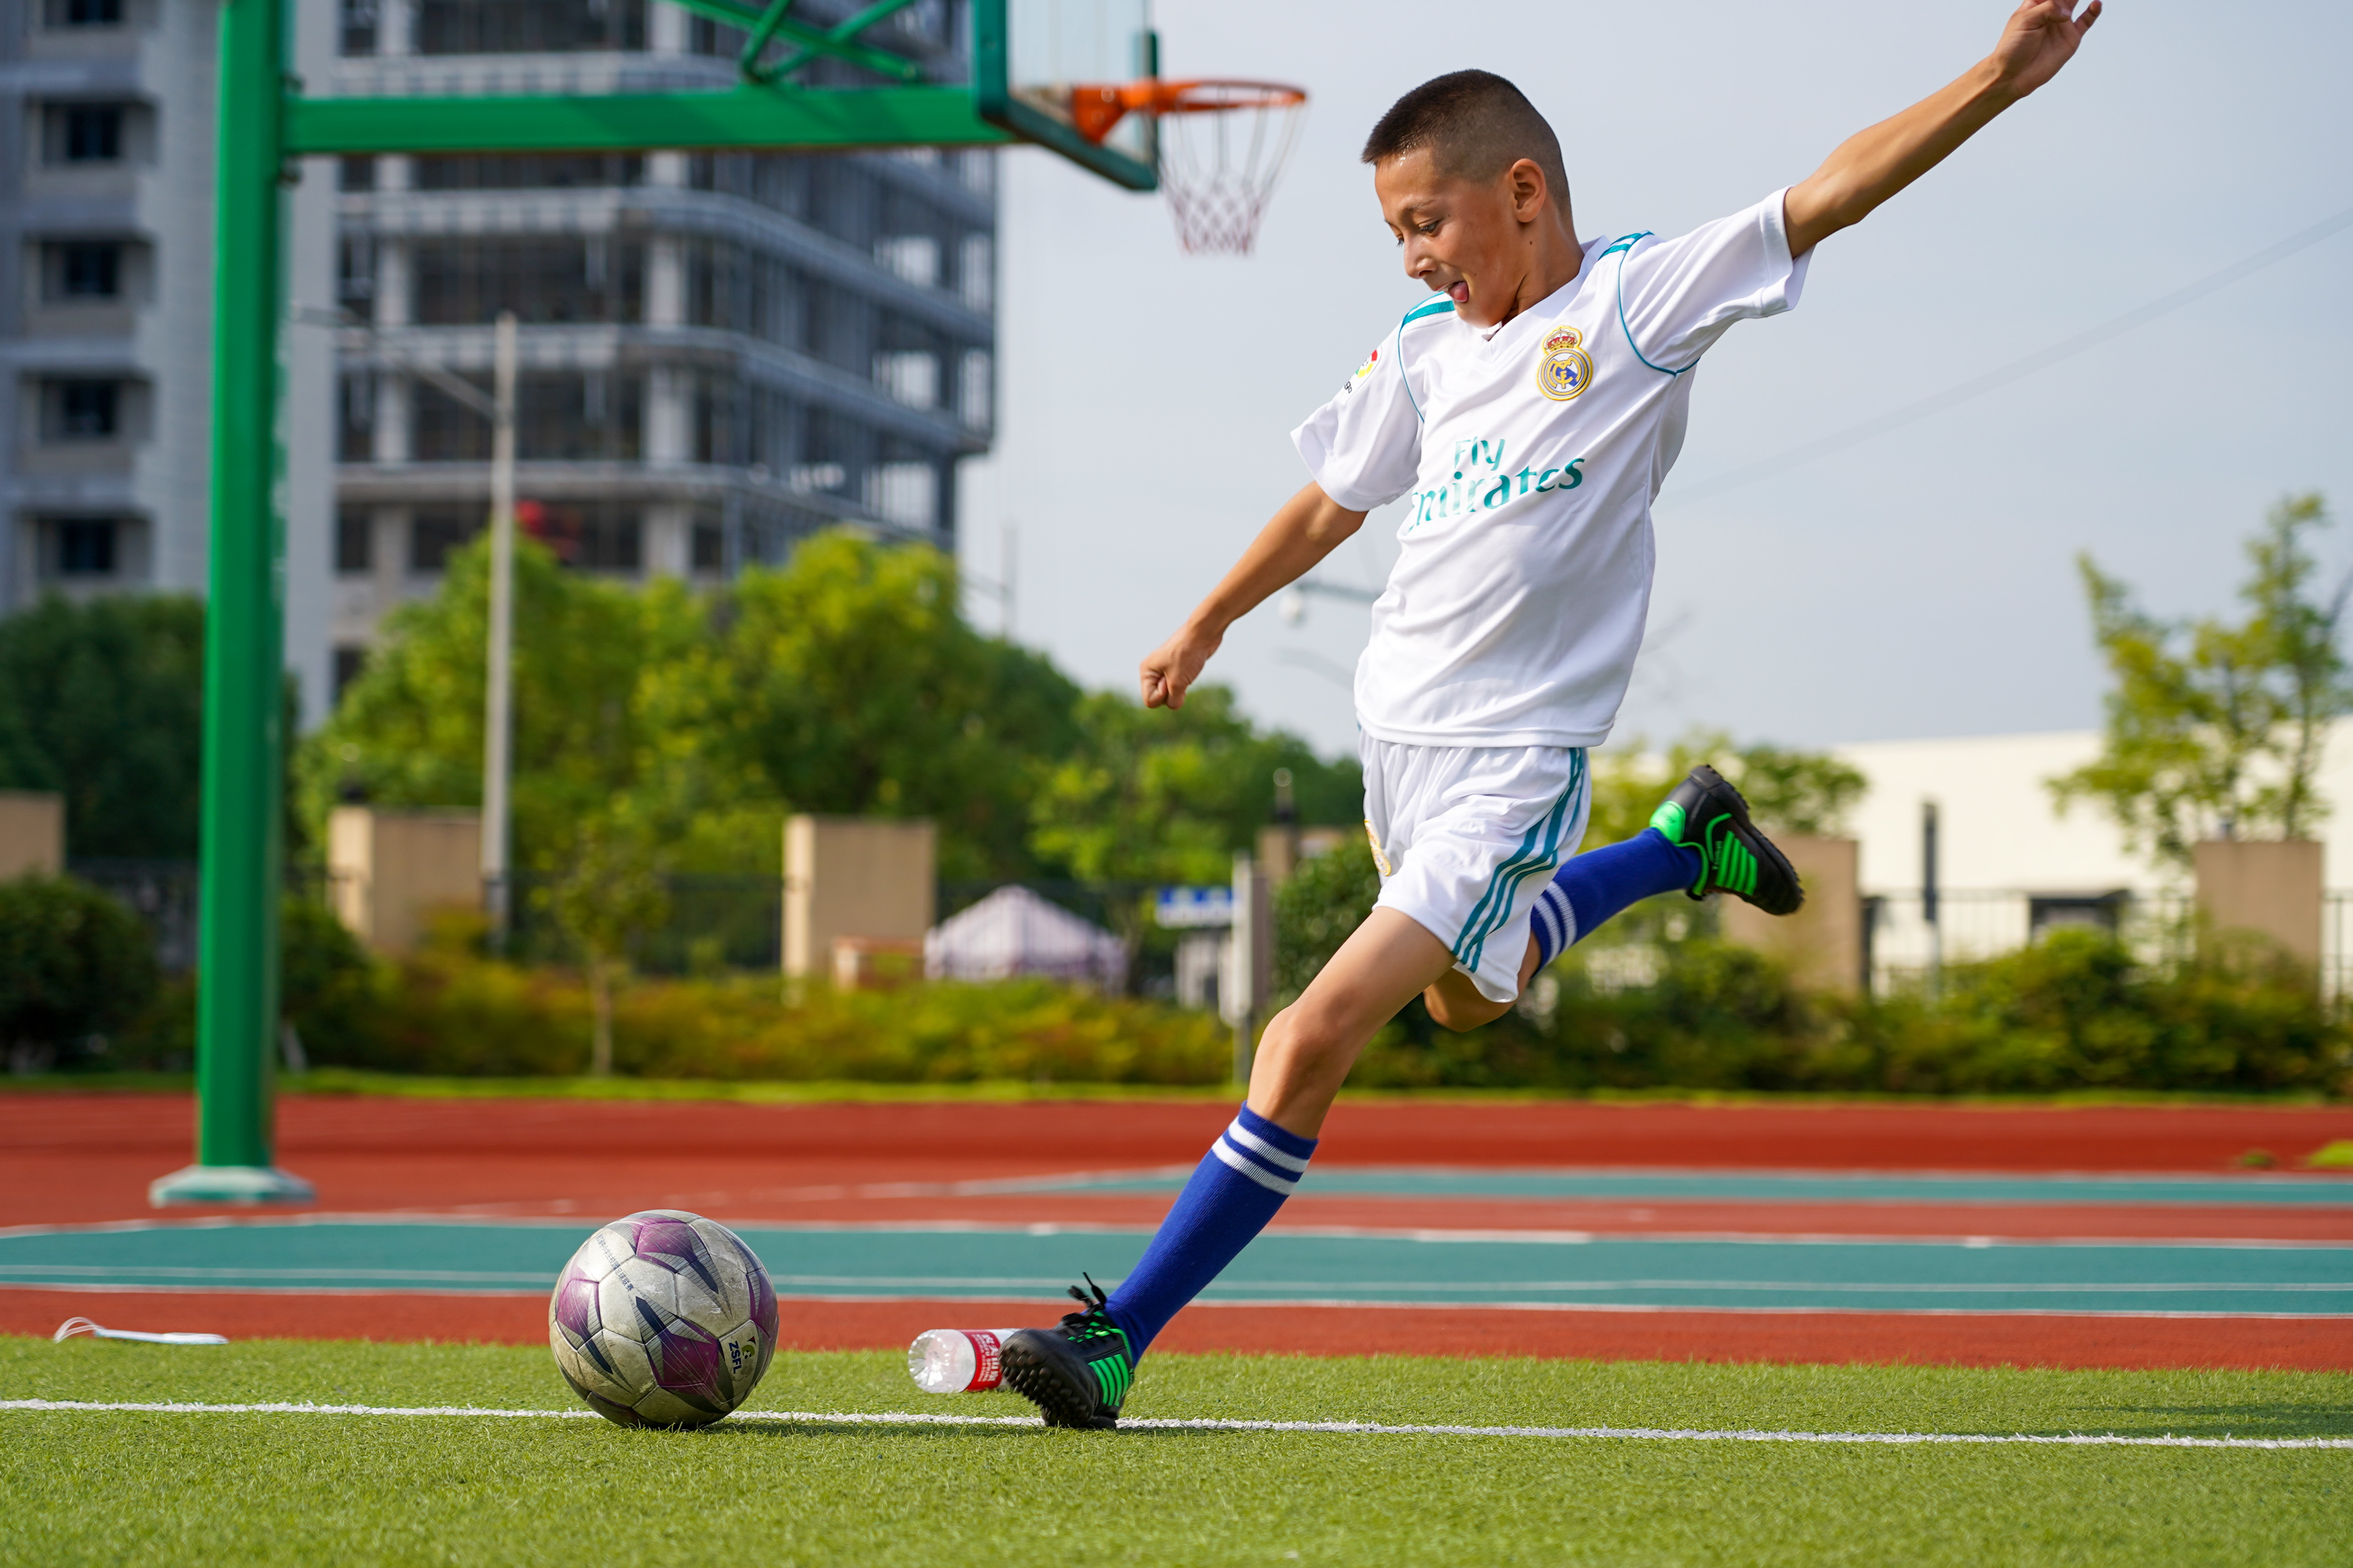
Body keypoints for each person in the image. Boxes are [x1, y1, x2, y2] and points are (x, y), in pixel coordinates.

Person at [999, 0, 2101, 1429]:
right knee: (1470, 997)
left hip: (1511, 769)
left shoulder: (1634, 303)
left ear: (1522, 191)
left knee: (1306, 1036)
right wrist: (1211, 616)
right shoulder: (1423, 347)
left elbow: (1824, 195)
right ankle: (1679, 845)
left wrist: (1999, 79)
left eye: (1426, 221)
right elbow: (1334, 498)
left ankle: (1117, 1337)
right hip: (1395, 753)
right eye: (1394, 232)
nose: (1413, 255)